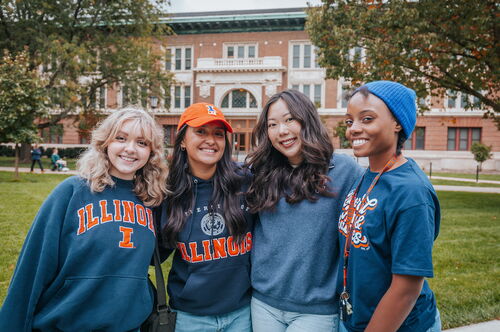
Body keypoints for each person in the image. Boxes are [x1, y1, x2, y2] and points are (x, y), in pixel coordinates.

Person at [0, 107, 169, 332]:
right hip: (66, 326)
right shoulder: (71, 192)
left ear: (151, 152)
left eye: (142, 143)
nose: (130, 149)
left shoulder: (152, 201)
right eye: (121, 138)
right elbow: (32, 268)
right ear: (105, 142)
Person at [245, 89, 363, 332]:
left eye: (290, 120)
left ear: (306, 119)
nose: (282, 131)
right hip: (264, 303)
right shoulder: (262, 172)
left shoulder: (344, 170)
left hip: (316, 309)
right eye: (272, 124)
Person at [338, 81, 441, 332]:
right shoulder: (368, 175)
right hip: (355, 319)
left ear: (397, 123)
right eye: (350, 121)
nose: (354, 129)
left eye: (367, 119)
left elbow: (406, 287)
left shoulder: (411, 192)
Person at [157, 103, 256, 332]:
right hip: (189, 317)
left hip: (242, 313)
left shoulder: (246, 182)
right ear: (182, 140)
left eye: (218, 134)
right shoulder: (167, 193)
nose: (211, 140)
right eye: (201, 131)